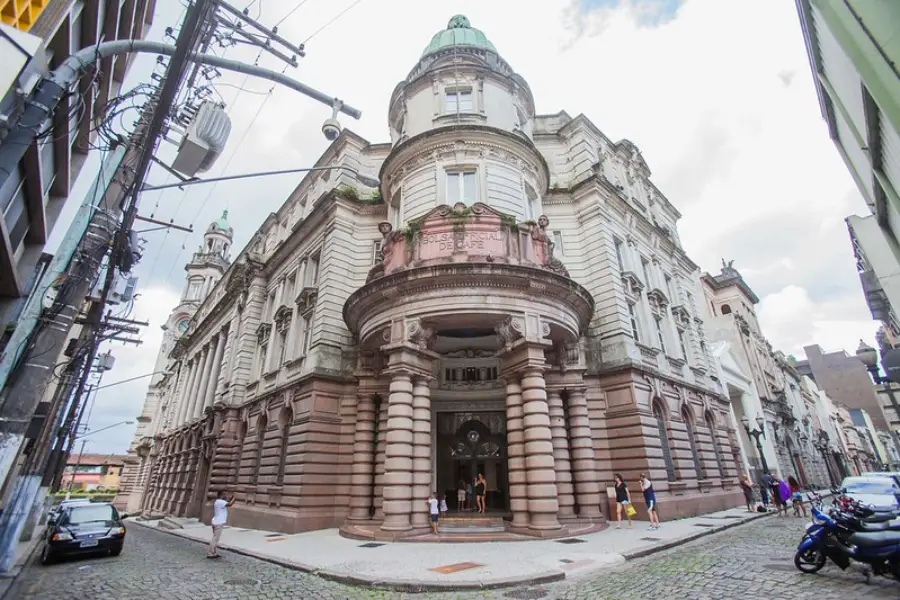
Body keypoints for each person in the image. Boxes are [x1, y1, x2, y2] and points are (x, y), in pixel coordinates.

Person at [208, 490, 235, 558]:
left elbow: (228, 502)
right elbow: (230, 504)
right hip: (218, 523)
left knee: (215, 538)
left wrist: (231, 498)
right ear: (221, 495)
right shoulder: (220, 502)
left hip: (216, 522)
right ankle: (210, 553)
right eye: (225, 494)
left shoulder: (218, 501)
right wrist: (235, 498)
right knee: (215, 539)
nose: (226, 496)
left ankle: (214, 553)